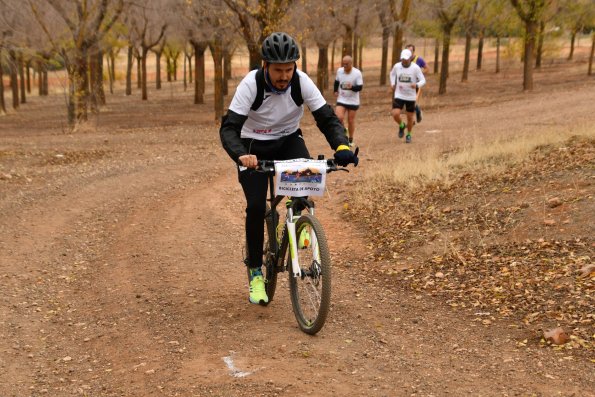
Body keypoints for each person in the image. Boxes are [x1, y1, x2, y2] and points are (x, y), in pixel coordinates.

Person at [220, 32, 358, 305]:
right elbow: (229, 128)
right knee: (257, 206)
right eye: (278, 70)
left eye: (289, 69)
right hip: (252, 147)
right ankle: (256, 272)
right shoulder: (251, 84)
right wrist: (240, 156)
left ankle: (298, 224)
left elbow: (327, 118)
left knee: (305, 186)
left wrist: (341, 146)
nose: (284, 76)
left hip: (287, 141)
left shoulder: (301, 82)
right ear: (265, 65)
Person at [389, 48, 426, 143]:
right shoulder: (397, 66)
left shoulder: (415, 68)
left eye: (406, 59)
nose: (404, 61)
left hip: (410, 96)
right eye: (403, 59)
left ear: (410, 58)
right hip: (399, 94)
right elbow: (392, 74)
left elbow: (423, 80)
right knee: (395, 114)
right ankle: (401, 125)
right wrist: (393, 83)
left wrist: (416, 85)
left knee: (410, 117)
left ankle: (409, 134)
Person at [333, 55, 363, 147]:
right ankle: (343, 130)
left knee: (350, 120)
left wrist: (352, 87)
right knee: (339, 117)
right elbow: (337, 81)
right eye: (343, 64)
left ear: (351, 63)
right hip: (342, 99)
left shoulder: (357, 73)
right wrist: (335, 90)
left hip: (353, 100)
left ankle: (350, 139)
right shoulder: (340, 71)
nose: (344, 66)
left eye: (346, 64)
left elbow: (360, 87)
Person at [405, 44, 428, 123]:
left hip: (417, 85)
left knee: (413, 102)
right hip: (408, 85)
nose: (409, 52)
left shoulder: (419, 59)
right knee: (408, 103)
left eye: (411, 51)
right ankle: (416, 114)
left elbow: (427, 69)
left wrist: (419, 74)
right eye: (407, 51)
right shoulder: (404, 60)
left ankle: (413, 118)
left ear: (413, 51)